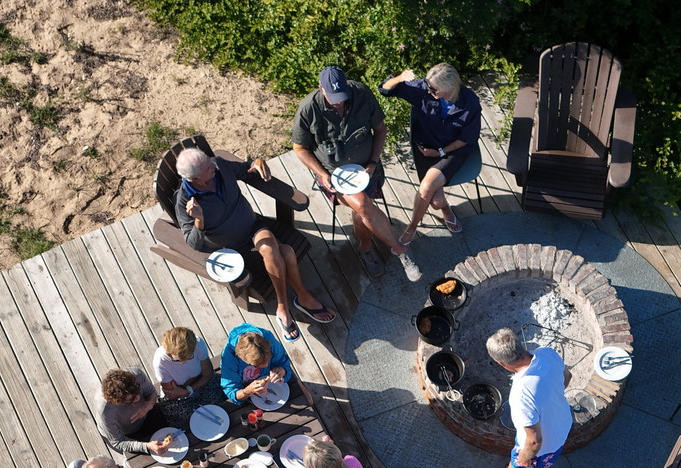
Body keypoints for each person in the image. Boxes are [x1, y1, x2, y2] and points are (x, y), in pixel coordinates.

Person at [175, 147, 334, 342]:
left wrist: (255, 163)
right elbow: (193, 243)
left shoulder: (218, 165)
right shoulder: (184, 202)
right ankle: (300, 298)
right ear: (195, 180)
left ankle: (283, 306)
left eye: (209, 161)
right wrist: (199, 221)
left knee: (269, 245)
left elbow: (243, 169)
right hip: (232, 249)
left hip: (253, 226)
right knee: (287, 253)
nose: (213, 166)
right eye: (207, 167)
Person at [291, 65, 422, 282]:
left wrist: (372, 162)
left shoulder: (360, 93)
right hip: (333, 176)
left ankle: (365, 247)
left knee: (363, 212)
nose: (339, 102)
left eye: (342, 96)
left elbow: (380, 129)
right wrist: (323, 174)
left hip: (367, 169)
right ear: (320, 89)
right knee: (362, 205)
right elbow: (299, 148)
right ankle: (400, 251)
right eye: (333, 98)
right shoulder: (308, 109)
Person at [379, 63, 481, 244]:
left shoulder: (470, 103)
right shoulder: (424, 89)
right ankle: (445, 208)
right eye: (428, 86)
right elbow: (384, 89)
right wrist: (400, 77)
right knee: (436, 201)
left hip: (452, 151)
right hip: (426, 148)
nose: (429, 90)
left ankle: (411, 229)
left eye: (434, 89)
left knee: (426, 188)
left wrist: (441, 151)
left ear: (449, 89)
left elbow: (467, 139)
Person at [486, 328, 572, 468]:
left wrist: (525, 459)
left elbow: (534, 441)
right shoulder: (547, 353)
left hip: (547, 445)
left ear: (503, 364)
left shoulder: (520, 394)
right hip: (563, 421)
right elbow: (567, 377)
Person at [152, 326, 222, 426]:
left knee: (219, 404)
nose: (182, 363)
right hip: (179, 398)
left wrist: (188, 389)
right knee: (183, 421)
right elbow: (171, 393)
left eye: (189, 358)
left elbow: (208, 374)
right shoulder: (160, 360)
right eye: (177, 360)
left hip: (196, 386)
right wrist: (196, 379)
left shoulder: (198, 343)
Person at [94, 367, 170, 456]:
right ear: (119, 401)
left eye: (137, 391)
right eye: (131, 398)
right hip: (126, 435)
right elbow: (118, 442)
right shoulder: (105, 411)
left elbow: (151, 392)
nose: (138, 397)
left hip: (146, 416)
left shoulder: (137, 375)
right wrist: (147, 446)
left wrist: (148, 405)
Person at [219, 324, 293, 403]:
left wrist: (282, 370)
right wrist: (248, 391)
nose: (266, 365)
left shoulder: (268, 339)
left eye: (268, 359)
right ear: (244, 359)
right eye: (258, 364)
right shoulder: (229, 358)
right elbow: (231, 391)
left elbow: (283, 361)